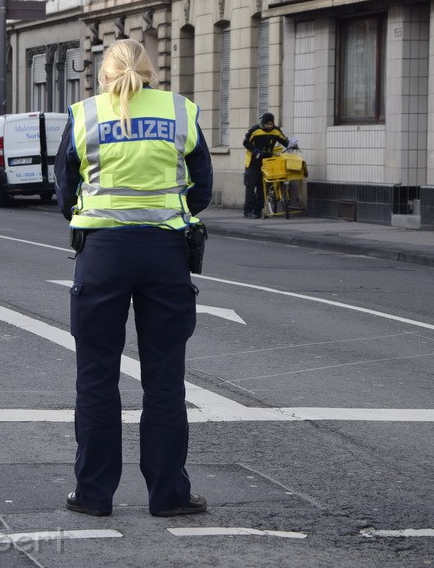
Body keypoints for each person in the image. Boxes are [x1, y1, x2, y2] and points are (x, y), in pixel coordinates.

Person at [54, 39, 212, 519]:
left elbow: (65, 188)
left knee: (96, 377)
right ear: (150, 72)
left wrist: (94, 217)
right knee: (165, 380)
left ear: (104, 74)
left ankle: (94, 495)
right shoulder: (179, 111)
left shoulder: (85, 115)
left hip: (102, 255)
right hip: (165, 253)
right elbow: (201, 187)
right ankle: (168, 495)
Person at [242, 112, 291, 219]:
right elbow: (246, 143)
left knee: (262, 187)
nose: (269, 127)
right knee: (251, 186)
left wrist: (291, 145)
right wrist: (255, 151)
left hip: (266, 161)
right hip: (252, 161)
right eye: (267, 125)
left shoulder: (276, 130)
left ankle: (258, 210)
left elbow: (284, 140)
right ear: (263, 123)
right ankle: (248, 210)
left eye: (271, 124)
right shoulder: (255, 130)